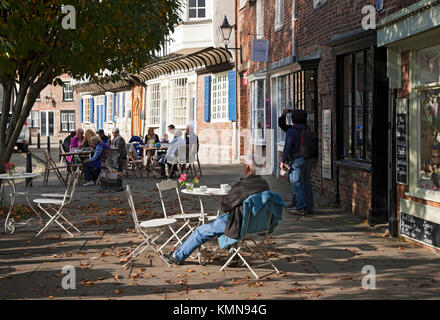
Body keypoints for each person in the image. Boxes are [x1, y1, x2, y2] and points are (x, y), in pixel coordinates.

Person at [161, 154, 271, 266]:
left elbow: (225, 204)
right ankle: (232, 255)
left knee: (200, 231)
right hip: (257, 223)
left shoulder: (245, 185)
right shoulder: (264, 184)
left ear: (247, 167)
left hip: (239, 223)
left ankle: (177, 256)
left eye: (244, 165)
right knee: (220, 221)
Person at [280, 109, 314, 215]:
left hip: (297, 160)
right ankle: (309, 207)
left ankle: (301, 207)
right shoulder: (307, 129)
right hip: (308, 159)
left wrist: (283, 160)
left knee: (296, 184)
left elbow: (287, 147)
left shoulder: (292, 131)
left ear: (293, 119)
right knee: (306, 184)